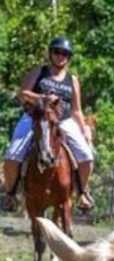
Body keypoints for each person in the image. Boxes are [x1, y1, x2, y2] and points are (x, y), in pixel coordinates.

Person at [3, 37, 95, 211]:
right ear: (50, 53)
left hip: (63, 120)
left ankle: (81, 193)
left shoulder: (72, 80)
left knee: (86, 157)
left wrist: (84, 130)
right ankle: (10, 194)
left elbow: (76, 109)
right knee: (12, 156)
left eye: (65, 53)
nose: (60, 56)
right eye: (57, 52)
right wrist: (42, 98)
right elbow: (22, 94)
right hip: (35, 118)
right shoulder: (40, 71)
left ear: (69, 57)